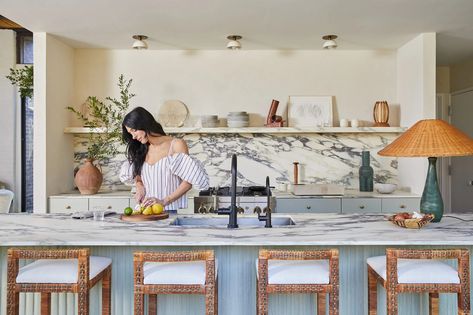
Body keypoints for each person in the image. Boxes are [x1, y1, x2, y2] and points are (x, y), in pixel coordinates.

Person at [120, 107, 209, 213]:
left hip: (169, 212)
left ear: (144, 124)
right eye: (130, 133)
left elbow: (188, 181)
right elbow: (139, 177)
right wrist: (139, 187)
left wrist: (164, 201)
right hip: (146, 211)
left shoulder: (176, 145)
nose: (133, 137)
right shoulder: (141, 149)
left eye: (134, 130)